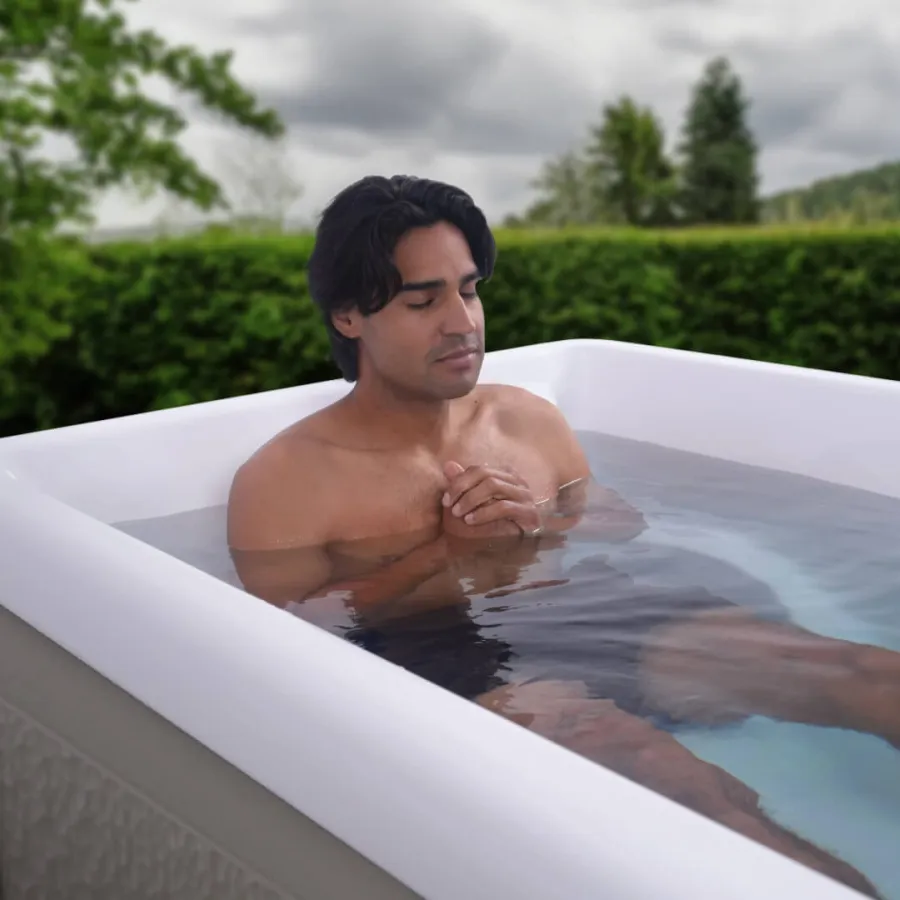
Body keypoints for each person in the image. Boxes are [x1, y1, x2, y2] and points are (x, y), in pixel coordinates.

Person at [227, 174, 893, 898]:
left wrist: (537, 525)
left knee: (868, 675)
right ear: (350, 316)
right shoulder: (287, 480)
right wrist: (447, 555)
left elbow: (617, 521)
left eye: (470, 290)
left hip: (583, 608)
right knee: (683, 790)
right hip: (433, 651)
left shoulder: (525, 419)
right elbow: (293, 632)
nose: (463, 322)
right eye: (424, 301)